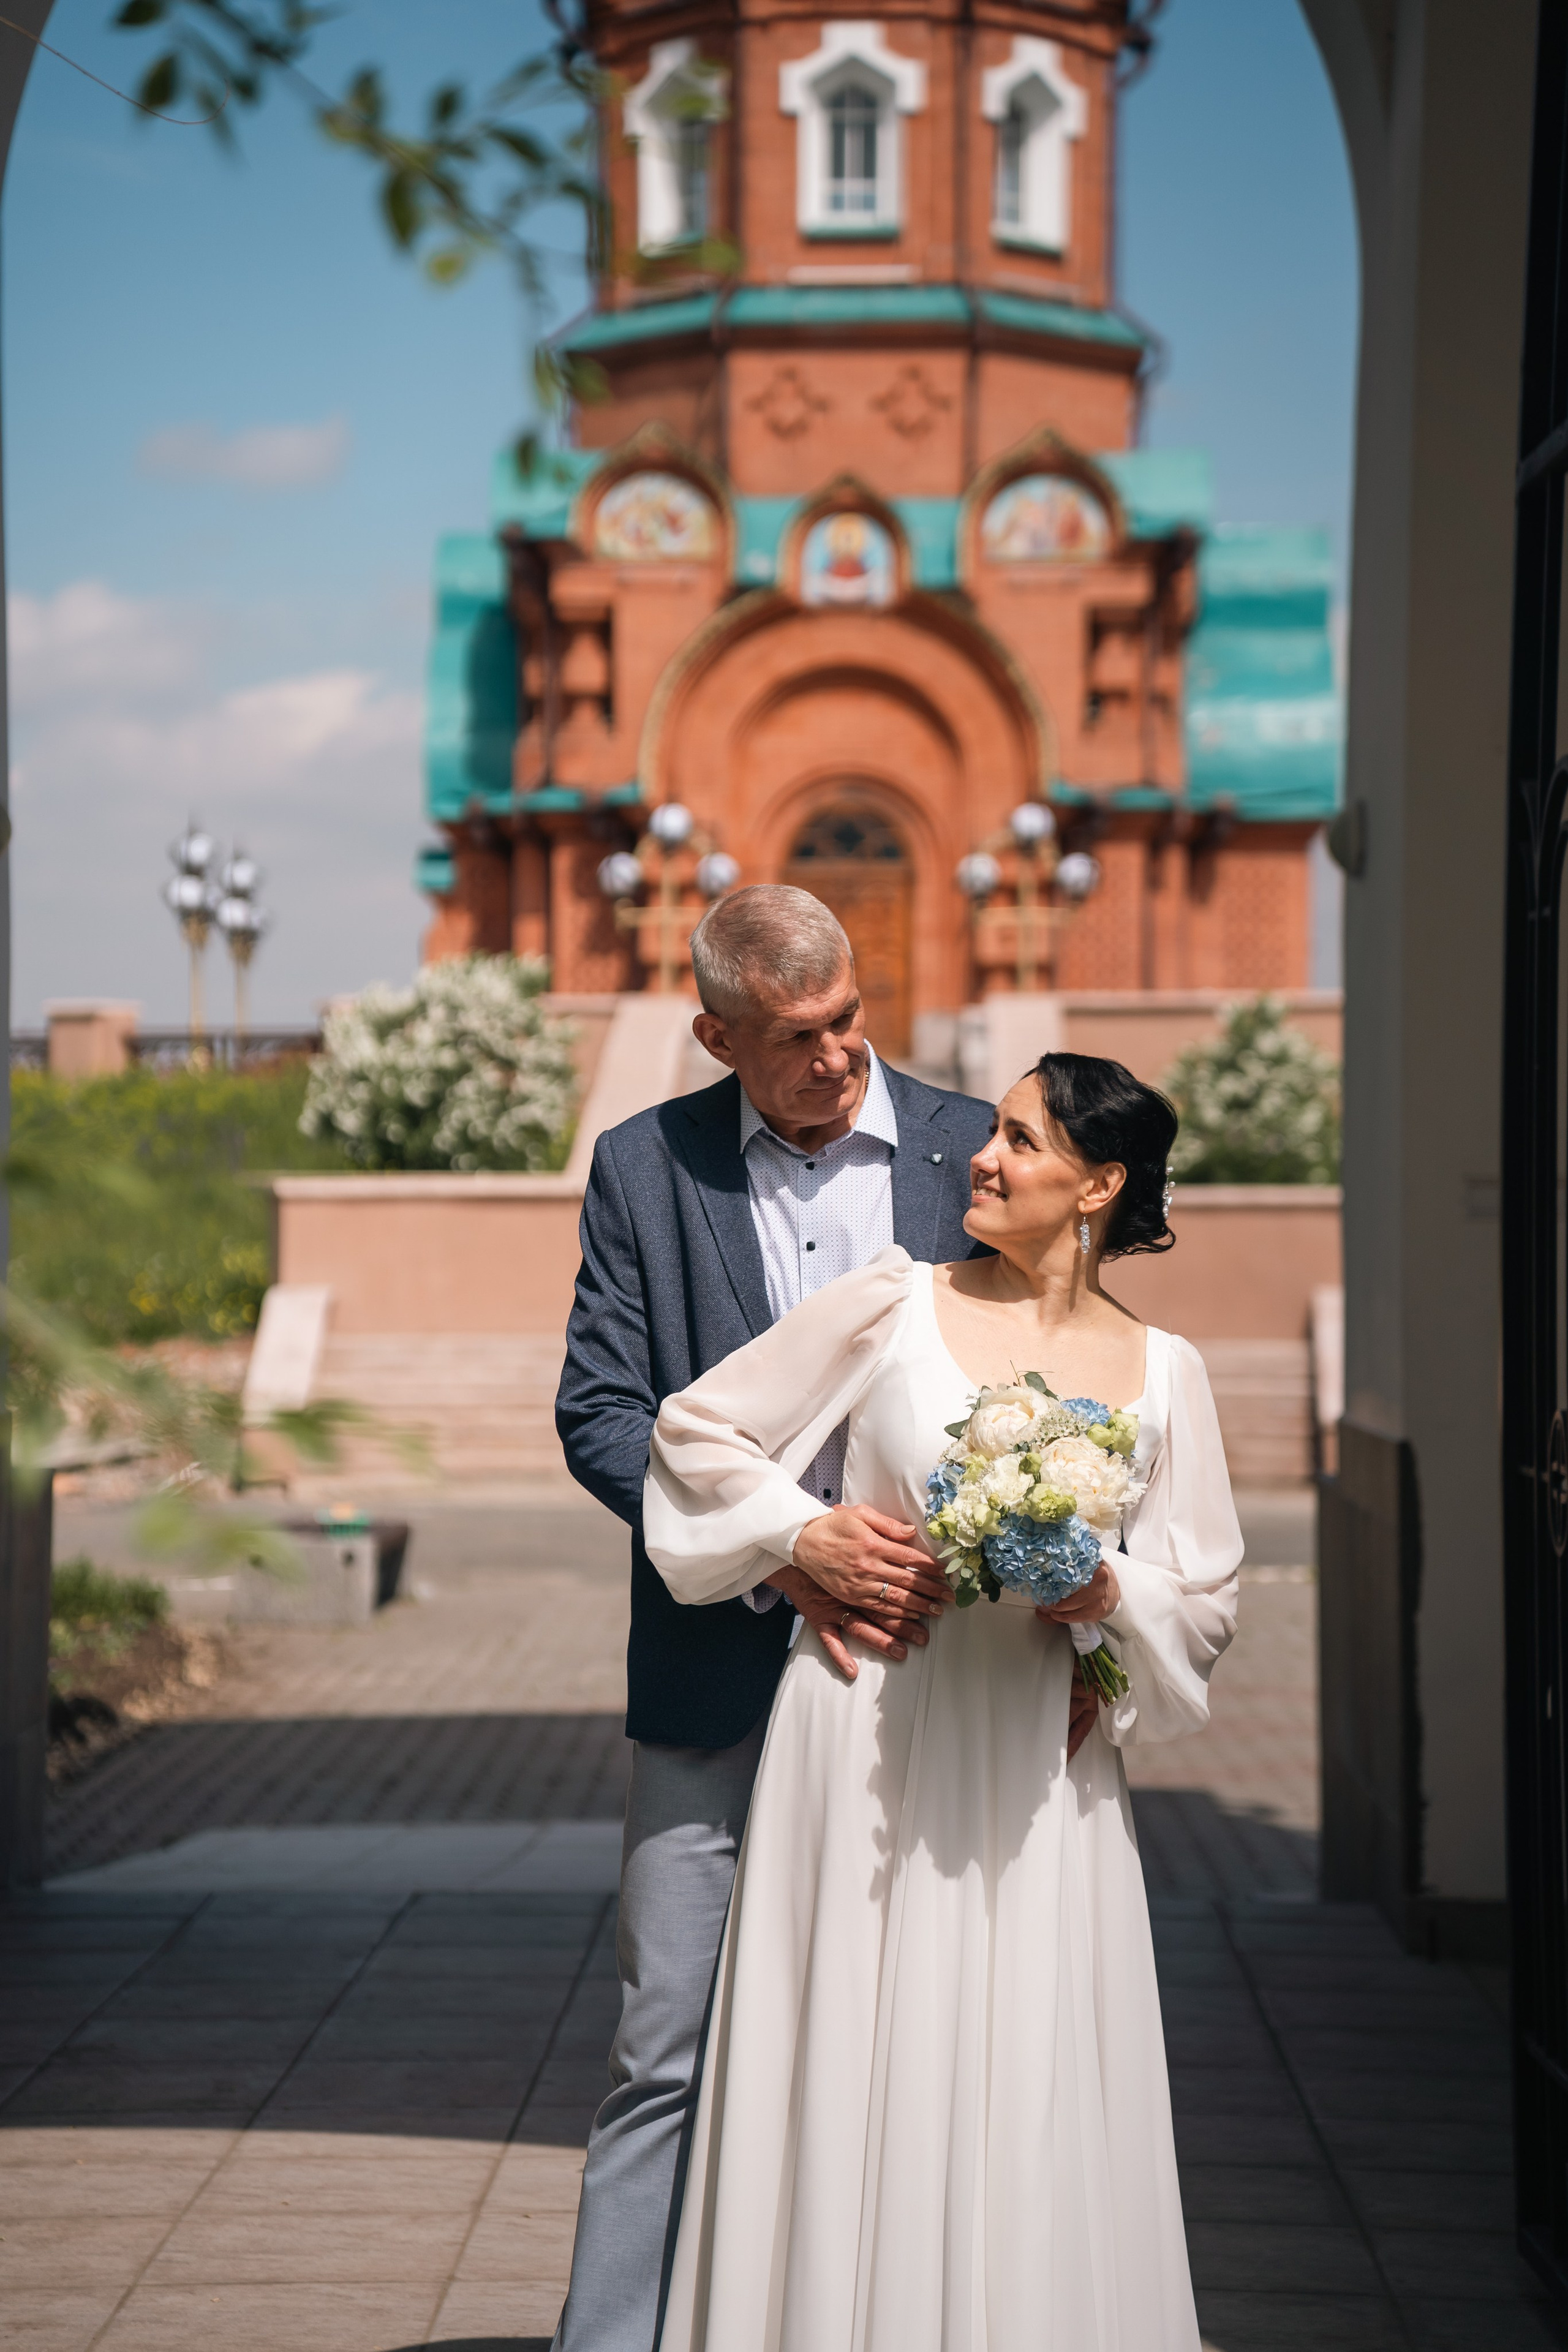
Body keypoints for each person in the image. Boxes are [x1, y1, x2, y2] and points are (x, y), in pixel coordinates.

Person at [643, 1053, 1242, 2352]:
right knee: (855, 2066)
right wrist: (805, 1541)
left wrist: (1104, 1601)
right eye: (989, 1133)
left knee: (1025, 2078)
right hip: (863, 1731)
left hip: (1035, 1758)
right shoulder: (887, 1305)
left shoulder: (1165, 1372)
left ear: (1096, 1185)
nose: (980, 1156)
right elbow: (695, 1432)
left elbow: (1200, 1599)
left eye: (1019, 1141)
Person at [552, 884, 995, 2352]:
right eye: (796, 1036)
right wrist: (782, 1547)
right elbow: (600, 1414)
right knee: (665, 2043)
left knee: (918, 2048)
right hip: (715, 1672)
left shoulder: (973, 1150)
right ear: (714, 1034)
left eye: (850, 1018)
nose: (836, 1056)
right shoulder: (640, 1166)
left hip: (931, 1674)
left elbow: (1053, 1398)